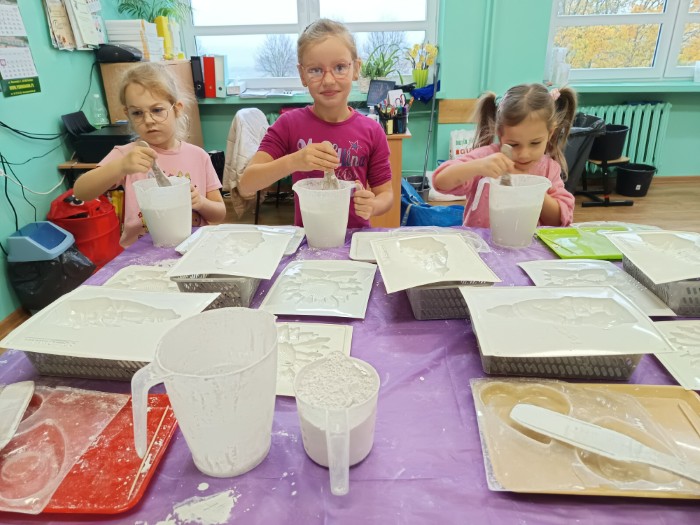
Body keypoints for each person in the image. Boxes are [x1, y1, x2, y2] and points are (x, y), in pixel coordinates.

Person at [238, 18, 393, 228]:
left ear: (356, 69)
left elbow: (386, 194)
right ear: (302, 74)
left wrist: (373, 205)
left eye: (340, 67)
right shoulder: (289, 124)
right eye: (315, 70)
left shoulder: (372, 131)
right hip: (308, 238)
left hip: (355, 239)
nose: (328, 80)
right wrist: (294, 161)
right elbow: (246, 184)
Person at [73, 63, 226, 247]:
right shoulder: (127, 156)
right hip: (142, 253)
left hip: (191, 248)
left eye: (157, 110)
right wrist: (120, 166)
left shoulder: (198, 156)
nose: (148, 120)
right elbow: (81, 191)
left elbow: (219, 214)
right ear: (128, 114)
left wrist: (200, 202)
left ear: (177, 109)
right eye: (137, 113)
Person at [432, 83, 577, 228]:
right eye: (513, 144)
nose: (524, 155)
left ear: (550, 133)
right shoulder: (486, 158)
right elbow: (440, 181)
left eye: (535, 143)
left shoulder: (549, 169)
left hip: (525, 241)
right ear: (500, 134)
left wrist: (532, 190)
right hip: (480, 241)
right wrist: (478, 166)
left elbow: (560, 220)